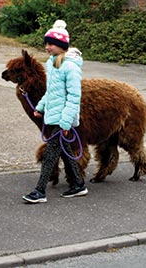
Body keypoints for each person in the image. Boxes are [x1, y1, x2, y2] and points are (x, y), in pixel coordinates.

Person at [23, 20, 88, 204]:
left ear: (60, 45)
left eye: (50, 44)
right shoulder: (51, 64)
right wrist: (40, 107)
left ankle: (39, 191)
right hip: (53, 116)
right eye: (47, 43)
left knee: (50, 154)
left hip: (62, 119)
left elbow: (74, 97)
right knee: (66, 152)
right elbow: (51, 91)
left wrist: (66, 122)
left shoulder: (71, 67)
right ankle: (79, 184)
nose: (47, 47)